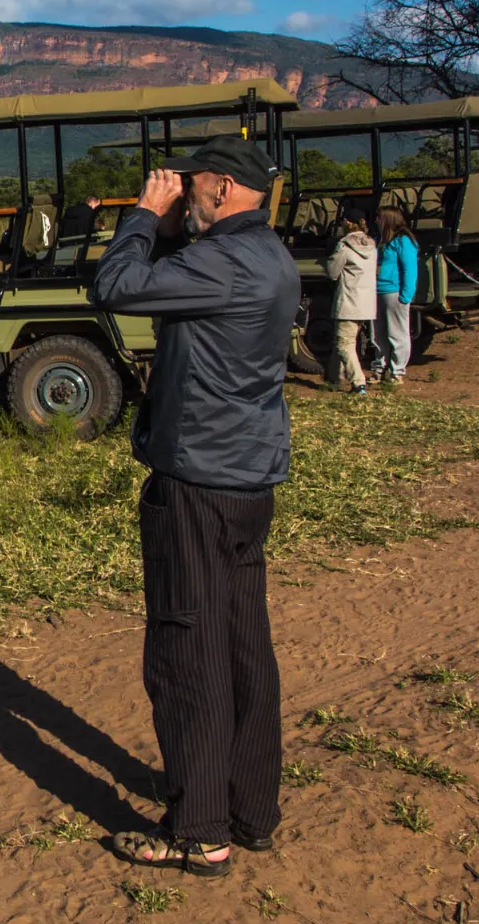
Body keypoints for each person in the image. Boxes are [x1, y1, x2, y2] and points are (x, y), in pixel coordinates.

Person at [90, 134, 300, 878]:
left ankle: (199, 829)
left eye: (192, 185)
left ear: (218, 186)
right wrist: (178, 225)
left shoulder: (222, 261)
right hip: (248, 479)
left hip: (198, 481)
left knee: (187, 651)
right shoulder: (269, 255)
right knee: (244, 645)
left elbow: (114, 286)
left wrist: (145, 216)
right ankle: (252, 810)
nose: (184, 194)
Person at [323, 215, 377, 395]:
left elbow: (332, 271)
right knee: (344, 340)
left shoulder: (345, 245)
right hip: (366, 302)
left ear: (347, 223)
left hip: (348, 301)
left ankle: (358, 383)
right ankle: (334, 377)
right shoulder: (371, 245)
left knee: (344, 344)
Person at [369, 207, 419, 384]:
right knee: (377, 334)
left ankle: (397, 371)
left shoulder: (403, 241)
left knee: (397, 333)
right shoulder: (379, 240)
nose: (375, 220)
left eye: (378, 217)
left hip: (394, 293)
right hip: (376, 292)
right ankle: (379, 367)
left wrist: (406, 296)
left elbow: (410, 269)